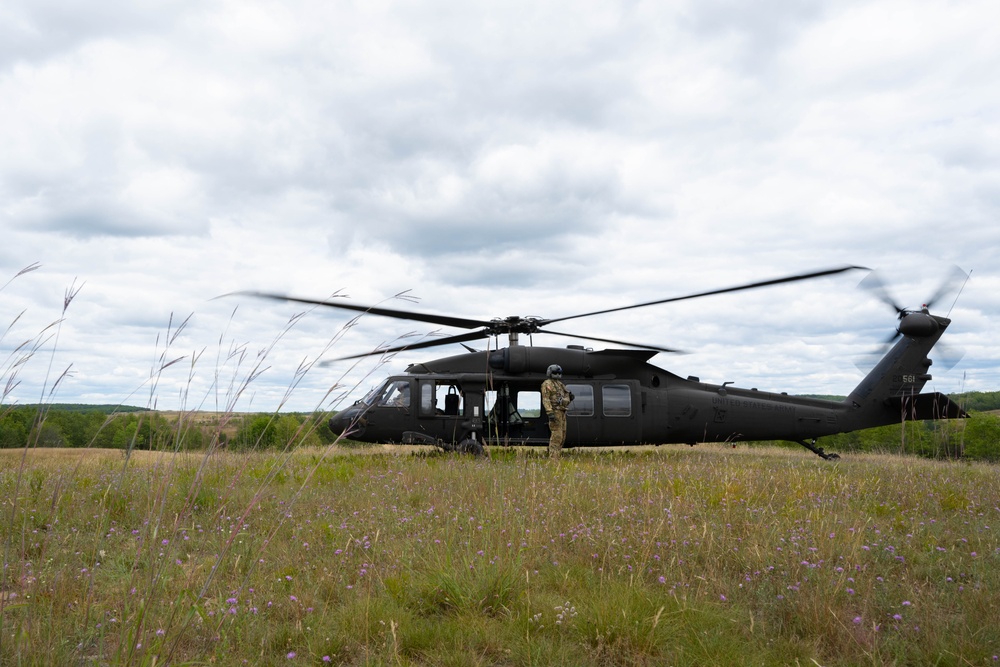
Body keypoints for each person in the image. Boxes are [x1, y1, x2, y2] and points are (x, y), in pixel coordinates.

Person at [541, 364, 573, 459]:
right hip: (555, 412)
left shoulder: (560, 384)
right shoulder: (547, 384)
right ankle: (553, 458)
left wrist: (569, 399)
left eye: (559, 373)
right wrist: (550, 412)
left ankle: (556, 455)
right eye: (555, 373)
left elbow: (566, 396)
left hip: (562, 412)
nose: (557, 375)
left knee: (562, 436)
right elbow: (546, 399)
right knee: (557, 436)